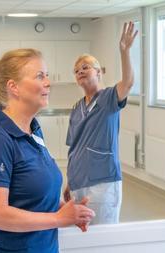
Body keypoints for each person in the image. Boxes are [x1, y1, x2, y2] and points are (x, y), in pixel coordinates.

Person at [0, 48, 95, 253]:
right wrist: (58, 218)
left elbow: (31, 193)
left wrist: (62, 208)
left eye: (46, 75)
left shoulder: (33, 130)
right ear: (14, 87)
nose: (48, 82)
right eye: (39, 76)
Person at [63, 22, 138, 225]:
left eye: (85, 67)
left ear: (99, 72)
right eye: (76, 70)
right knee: (82, 234)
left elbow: (128, 82)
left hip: (102, 182)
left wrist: (125, 51)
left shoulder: (107, 99)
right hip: (78, 181)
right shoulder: (77, 107)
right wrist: (69, 181)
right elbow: (74, 148)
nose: (80, 72)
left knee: (103, 237)